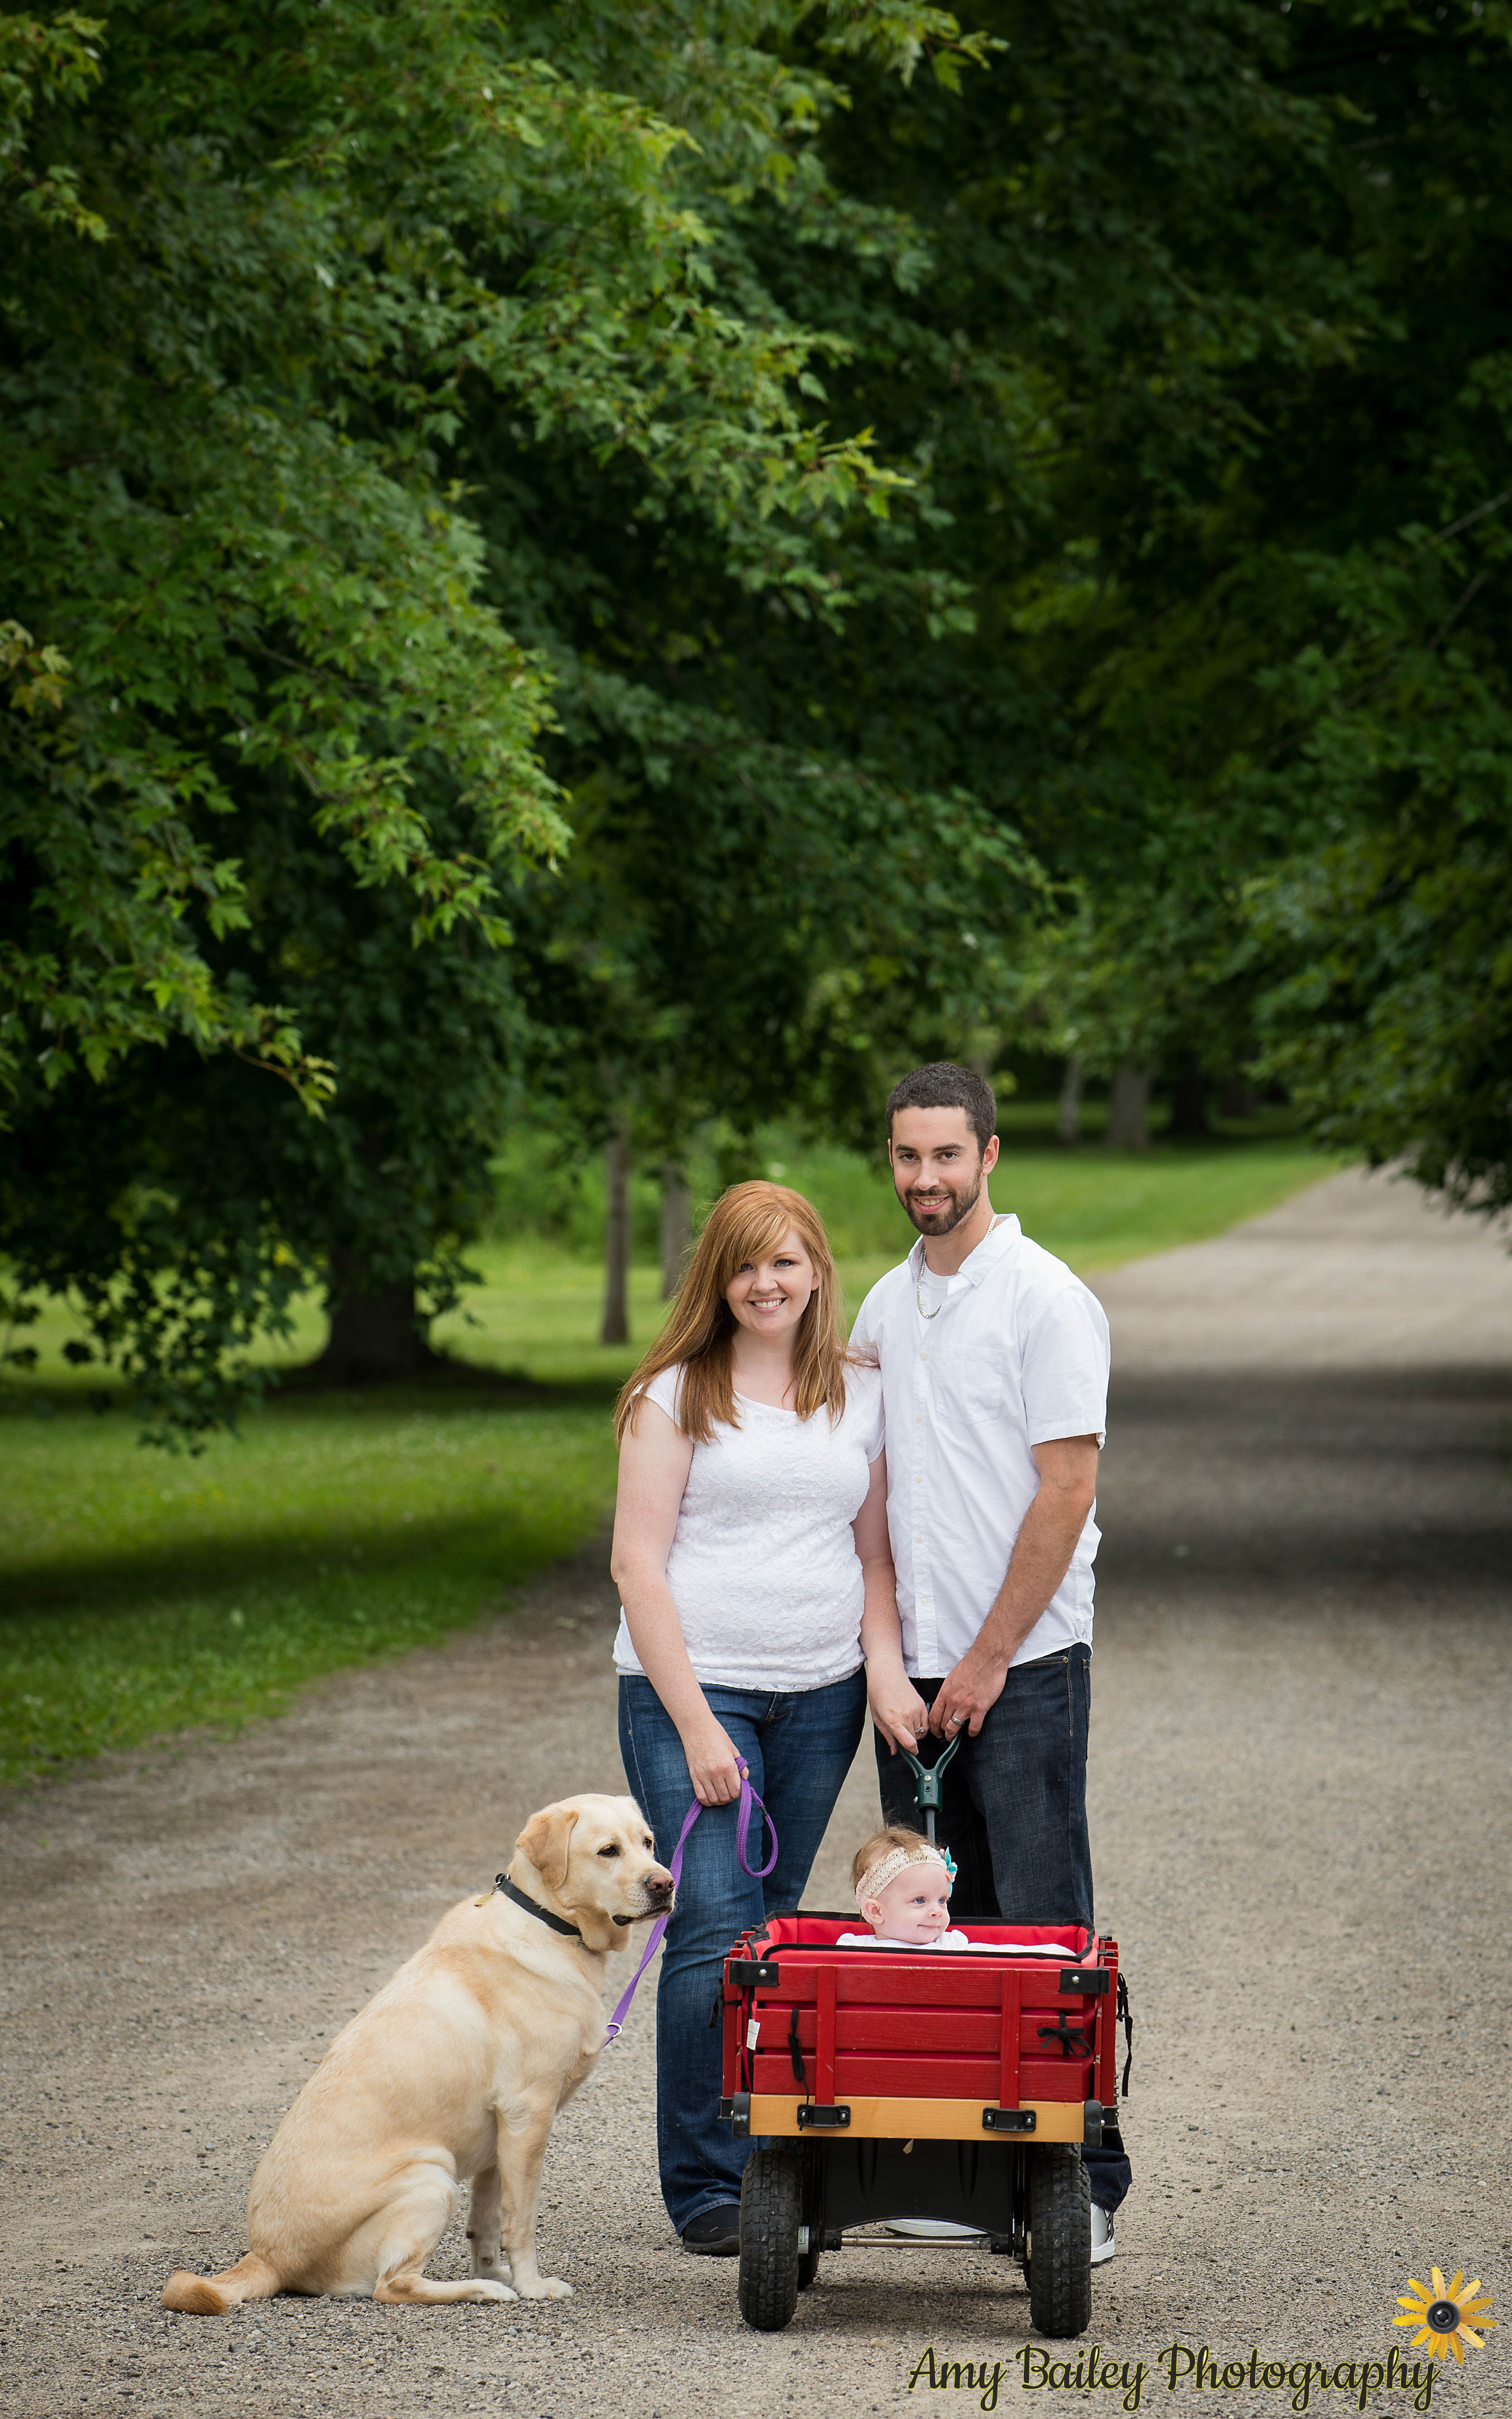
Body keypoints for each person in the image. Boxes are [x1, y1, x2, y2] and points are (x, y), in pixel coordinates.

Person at [850, 1061, 1132, 2259]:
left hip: (1023, 1668)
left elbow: (1066, 1491)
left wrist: (983, 1659)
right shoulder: (879, 1307)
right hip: (910, 1678)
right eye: (908, 1155)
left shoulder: (1046, 1300)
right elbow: (868, 1501)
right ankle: (965, 2177)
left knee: (1042, 1926)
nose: (926, 1177)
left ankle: (1083, 2185)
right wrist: (892, 1664)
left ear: (989, 1156)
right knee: (926, 1928)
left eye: (946, 1155)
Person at [610, 1180, 921, 2255]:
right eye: (744, 1265)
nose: (765, 1283)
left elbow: (873, 1557)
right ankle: (706, 2186)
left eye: (785, 1261)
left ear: (817, 1271)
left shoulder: (857, 1392)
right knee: (709, 1926)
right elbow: (636, 1566)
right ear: (718, 1279)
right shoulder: (672, 1393)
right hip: (694, 1695)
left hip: (821, 1694)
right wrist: (699, 1727)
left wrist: (883, 1673)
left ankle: (769, 2168)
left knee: (769, 1927)